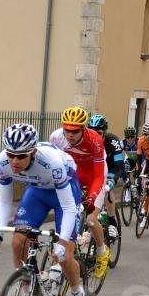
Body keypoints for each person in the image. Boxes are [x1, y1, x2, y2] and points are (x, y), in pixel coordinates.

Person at [0, 123, 85, 296]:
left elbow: (68, 208)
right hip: (37, 192)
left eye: (21, 156)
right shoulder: (1, 162)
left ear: (33, 152)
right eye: (11, 154)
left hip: (64, 195)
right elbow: (4, 201)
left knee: (65, 257)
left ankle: (77, 294)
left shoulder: (53, 162)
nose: (14, 161)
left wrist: (62, 242)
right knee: (18, 241)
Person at [49, 107, 109, 278]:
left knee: (90, 218)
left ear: (83, 128)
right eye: (66, 130)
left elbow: (99, 175)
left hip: (93, 175)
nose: (70, 135)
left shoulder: (95, 140)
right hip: (73, 174)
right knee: (66, 213)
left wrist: (91, 197)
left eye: (74, 131)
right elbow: (53, 164)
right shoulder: (56, 137)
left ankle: (101, 251)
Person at [87, 114, 124, 237]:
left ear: (105, 132)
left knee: (107, 189)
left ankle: (112, 221)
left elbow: (119, 164)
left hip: (111, 167)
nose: (95, 136)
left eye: (99, 133)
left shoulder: (112, 141)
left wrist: (113, 179)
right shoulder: (85, 140)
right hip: (94, 168)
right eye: (92, 132)